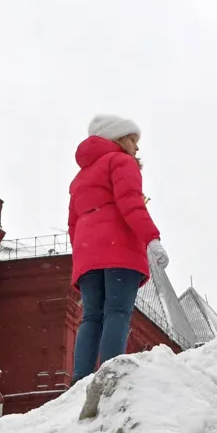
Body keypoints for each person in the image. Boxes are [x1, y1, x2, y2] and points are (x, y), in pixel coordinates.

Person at [69, 114, 167, 384]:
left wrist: (82, 255)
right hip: (119, 249)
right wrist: (152, 239)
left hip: (88, 253)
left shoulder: (80, 179)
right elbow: (131, 204)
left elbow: (73, 224)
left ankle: (80, 378)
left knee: (91, 316)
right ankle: (110, 373)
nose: (136, 147)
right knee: (117, 312)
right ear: (119, 139)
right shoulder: (121, 162)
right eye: (133, 140)